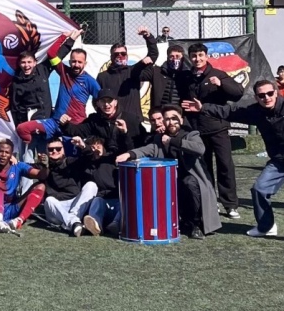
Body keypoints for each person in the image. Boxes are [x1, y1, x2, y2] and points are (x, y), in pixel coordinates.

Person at [184, 80, 284, 237]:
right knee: (259, 189)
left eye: (270, 93)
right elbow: (230, 111)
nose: (266, 98)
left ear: (276, 93)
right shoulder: (256, 112)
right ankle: (266, 226)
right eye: (262, 95)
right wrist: (203, 107)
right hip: (279, 161)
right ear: (256, 97)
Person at [117, 104, 221, 239]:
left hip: (193, 179)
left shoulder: (191, 135)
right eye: (167, 119)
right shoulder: (160, 138)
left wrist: (173, 141)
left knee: (189, 183)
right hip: (169, 179)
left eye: (174, 118)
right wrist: (129, 154)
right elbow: (148, 149)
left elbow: (199, 149)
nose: (171, 122)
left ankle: (195, 224)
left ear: (181, 120)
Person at [178, 42, 244, 219]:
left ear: (206, 56)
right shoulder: (186, 77)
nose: (197, 59)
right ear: (190, 58)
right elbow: (179, 98)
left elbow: (237, 93)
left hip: (217, 128)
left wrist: (221, 84)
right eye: (194, 56)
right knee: (203, 167)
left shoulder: (218, 74)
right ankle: (210, 200)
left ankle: (230, 205)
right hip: (196, 130)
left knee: (225, 165)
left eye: (200, 55)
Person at [16, 44, 100, 147]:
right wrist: (68, 37)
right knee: (23, 128)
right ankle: (31, 152)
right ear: (70, 62)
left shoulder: (90, 81)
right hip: (54, 122)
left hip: (74, 126)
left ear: (85, 63)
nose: (76, 64)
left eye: (80, 62)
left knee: (69, 155)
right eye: (74, 61)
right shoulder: (64, 71)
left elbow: (101, 100)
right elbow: (51, 53)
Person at [10, 29, 82, 129]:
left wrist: (71, 39)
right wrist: (21, 127)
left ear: (35, 63)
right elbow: (15, 108)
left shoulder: (42, 70)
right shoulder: (16, 83)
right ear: (19, 64)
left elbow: (59, 54)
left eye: (29, 62)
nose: (26, 65)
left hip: (49, 120)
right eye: (23, 62)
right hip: (32, 124)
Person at [0, 139, 48, 232]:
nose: (3, 155)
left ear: (11, 154)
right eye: (0, 151)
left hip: (12, 208)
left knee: (41, 186)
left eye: (7, 152)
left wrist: (45, 166)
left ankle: (19, 220)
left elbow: (41, 175)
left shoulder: (18, 166)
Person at [60, 88, 146, 155]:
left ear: (115, 102)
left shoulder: (131, 119)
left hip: (127, 161)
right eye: (103, 101)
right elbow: (77, 131)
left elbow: (140, 143)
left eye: (109, 101)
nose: (106, 104)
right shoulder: (94, 120)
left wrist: (125, 132)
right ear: (97, 103)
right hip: (105, 162)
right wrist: (65, 124)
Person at [97, 26, 158, 119]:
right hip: (112, 120)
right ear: (111, 57)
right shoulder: (102, 76)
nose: (120, 56)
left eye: (123, 54)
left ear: (127, 56)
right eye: (116, 54)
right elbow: (96, 100)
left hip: (134, 119)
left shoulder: (134, 71)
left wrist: (148, 36)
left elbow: (153, 55)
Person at [41, 138, 98, 237]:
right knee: (49, 200)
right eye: (51, 149)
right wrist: (14, 159)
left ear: (63, 150)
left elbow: (90, 159)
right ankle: (74, 222)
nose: (54, 151)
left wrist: (83, 146)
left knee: (91, 185)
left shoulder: (70, 162)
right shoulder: (43, 166)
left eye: (58, 149)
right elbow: (25, 169)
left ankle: (73, 221)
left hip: (76, 206)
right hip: (57, 208)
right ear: (46, 151)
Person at [76, 137, 120, 237]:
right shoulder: (87, 166)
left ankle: (116, 224)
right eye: (92, 147)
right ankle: (96, 226)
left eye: (98, 146)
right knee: (97, 201)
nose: (96, 149)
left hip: (116, 200)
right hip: (102, 202)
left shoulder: (111, 159)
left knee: (124, 205)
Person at [140, 45, 188, 109]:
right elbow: (140, 76)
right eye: (172, 56)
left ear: (182, 58)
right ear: (167, 57)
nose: (174, 59)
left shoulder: (188, 75)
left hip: (179, 111)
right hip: (160, 111)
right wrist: (142, 65)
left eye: (177, 56)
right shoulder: (157, 71)